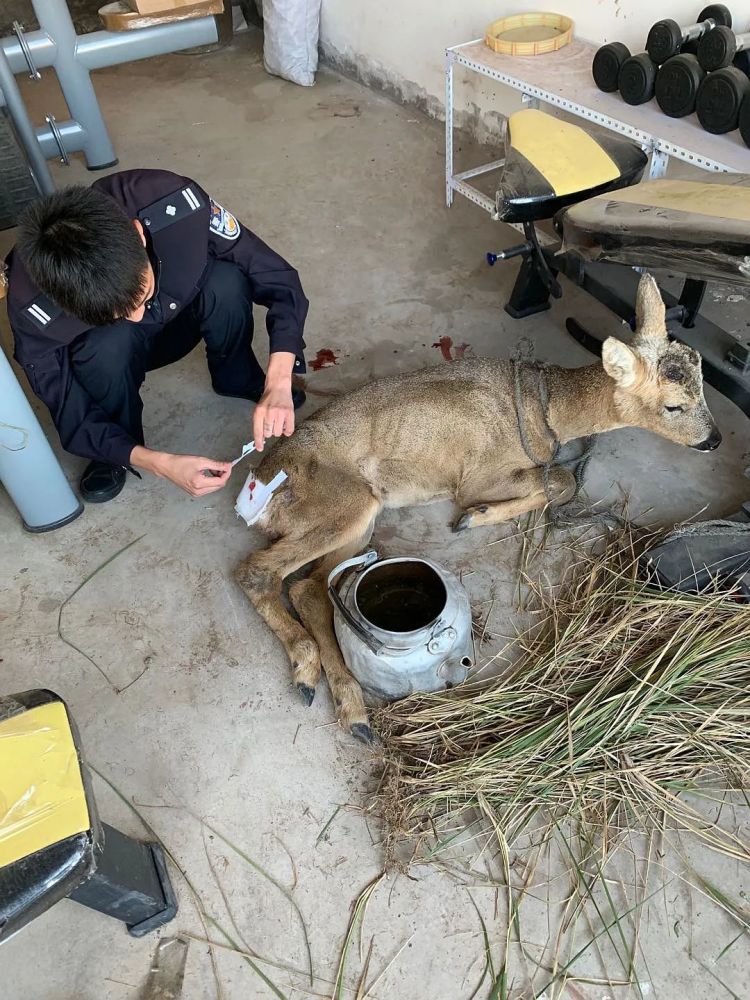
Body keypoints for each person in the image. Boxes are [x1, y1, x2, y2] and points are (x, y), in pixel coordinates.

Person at [5, 168, 309, 503]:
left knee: (226, 279)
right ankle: (115, 449)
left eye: (142, 294)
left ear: (138, 234)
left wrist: (279, 380)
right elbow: (69, 408)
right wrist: (159, 463)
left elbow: (277, 278)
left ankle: (236, 376)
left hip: (183, 317)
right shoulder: (29, 303)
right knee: (107, 341)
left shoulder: (174, 203)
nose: (137, 316)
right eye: (119, 313)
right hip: (114, 355)